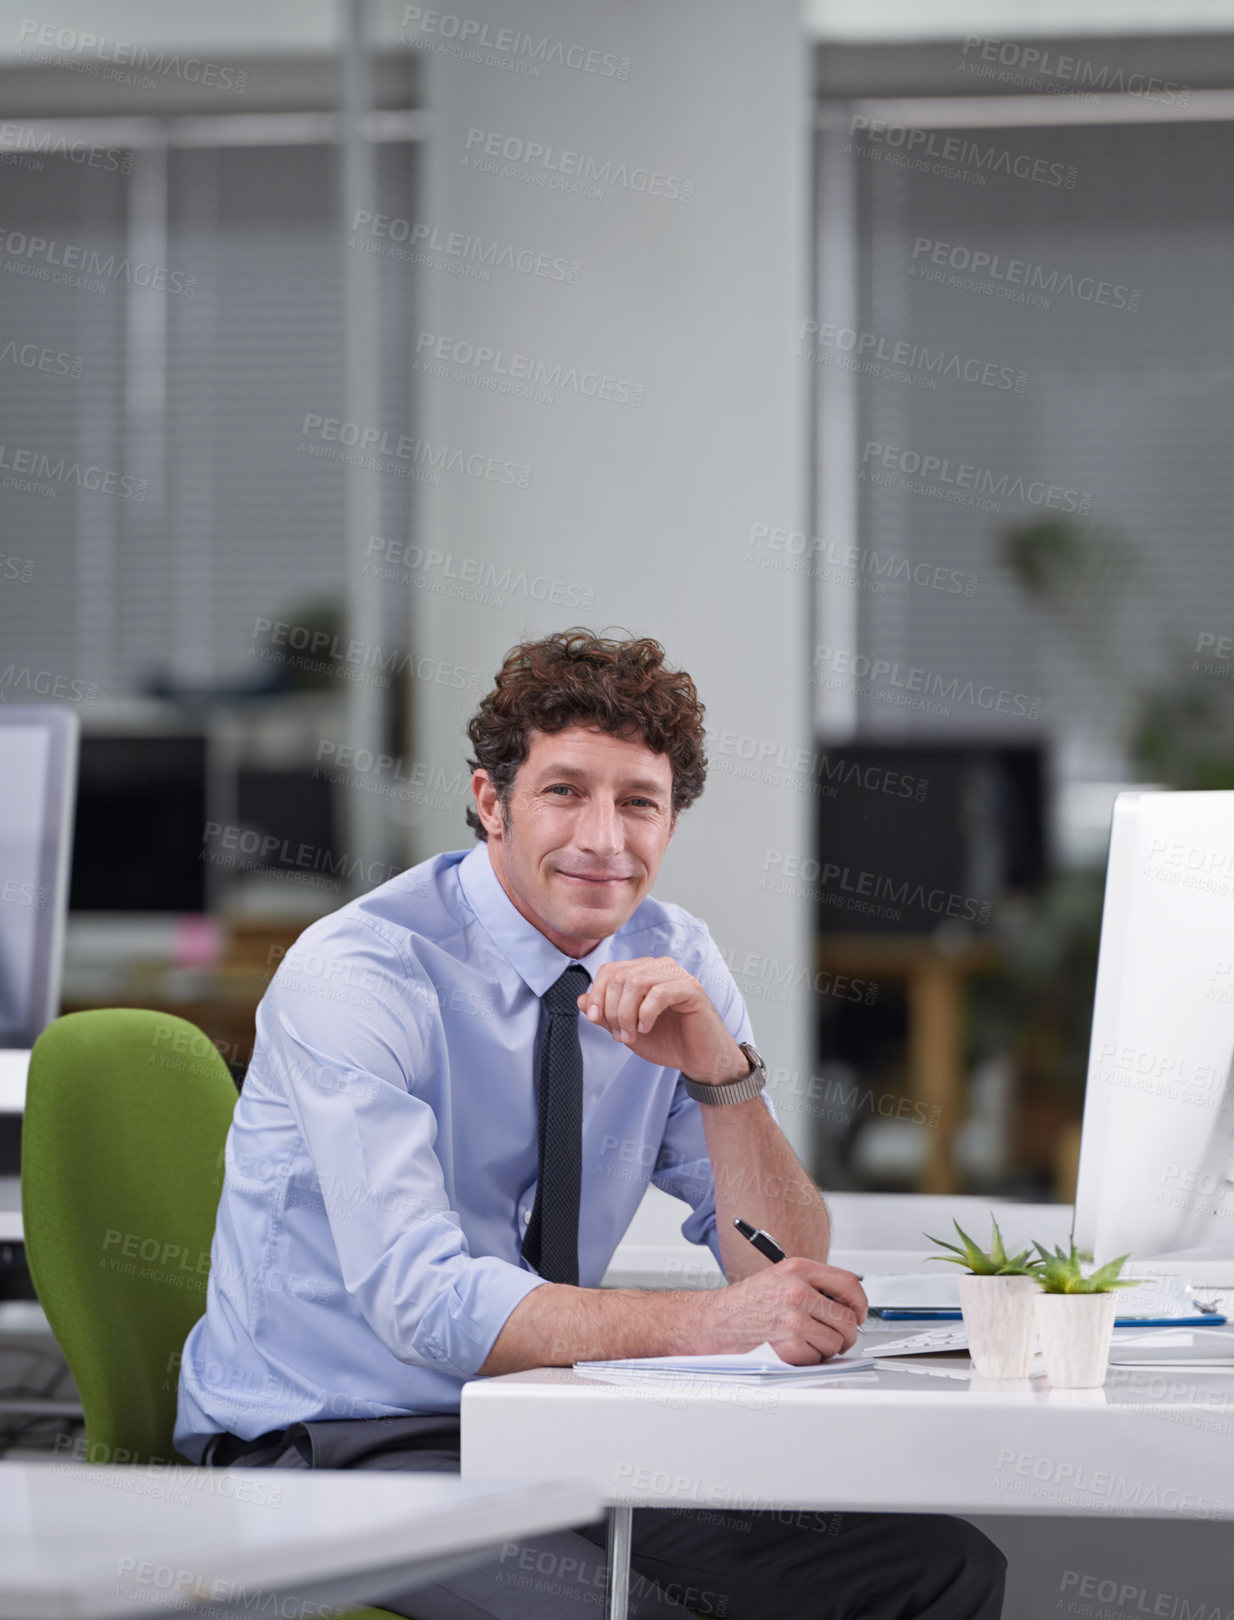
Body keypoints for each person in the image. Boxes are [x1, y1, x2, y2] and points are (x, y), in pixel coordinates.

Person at [175, 628, 1006, 1619]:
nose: (605, 839)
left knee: (937, 1569)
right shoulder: (361, 974)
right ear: (491, 801)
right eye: (565, 792)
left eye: (638, 803)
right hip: (336, 1443)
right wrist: (710, 1326)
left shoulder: (672, 956)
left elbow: (779, 1261)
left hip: (545, 1424)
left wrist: (720, 1074)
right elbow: (420, 1302)